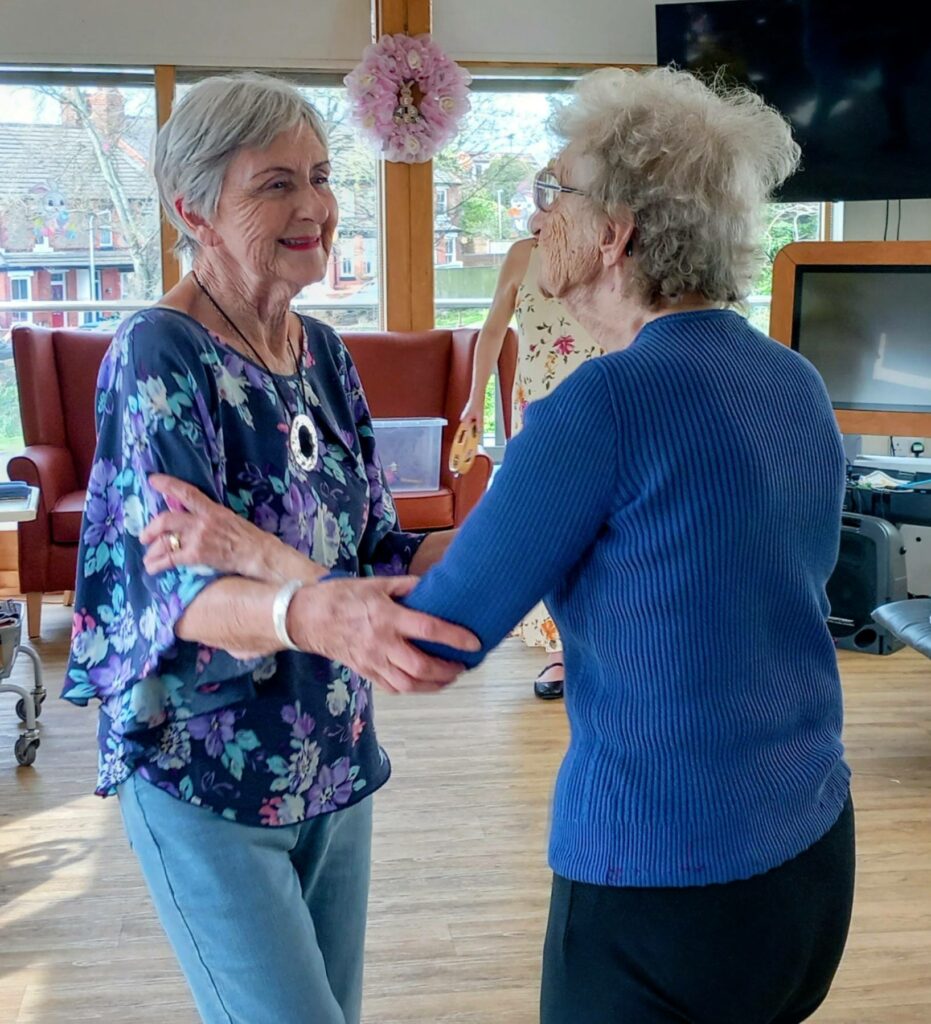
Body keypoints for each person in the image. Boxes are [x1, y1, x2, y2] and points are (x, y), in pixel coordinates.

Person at [144, 67, 855, 1022]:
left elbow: (430, 641)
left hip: (667, 877)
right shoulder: (791, 379)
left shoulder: (597, 408)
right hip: (810, 853)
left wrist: (266, 558)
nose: (534, 218)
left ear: (613, 234)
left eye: (551, 192)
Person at [61, 72, 478, 1024]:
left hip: (333, 754)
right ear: (194, 211)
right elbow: (165, 590)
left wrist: (507, 539)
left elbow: (379, 547)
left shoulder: (324, 353)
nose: (317, 208)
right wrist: (306, 608)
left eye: (323, 176)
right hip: (203, 769)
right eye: (275, 183)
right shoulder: (159, 350)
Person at [459, 237, 601, 699]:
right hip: (537, 405)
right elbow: (494, 329)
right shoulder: (525, 253)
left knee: (605, 524)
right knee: (543, 523)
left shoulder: (614, 245)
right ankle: (560, 649)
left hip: (601, 398)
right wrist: (474, 399)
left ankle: (604, 646)